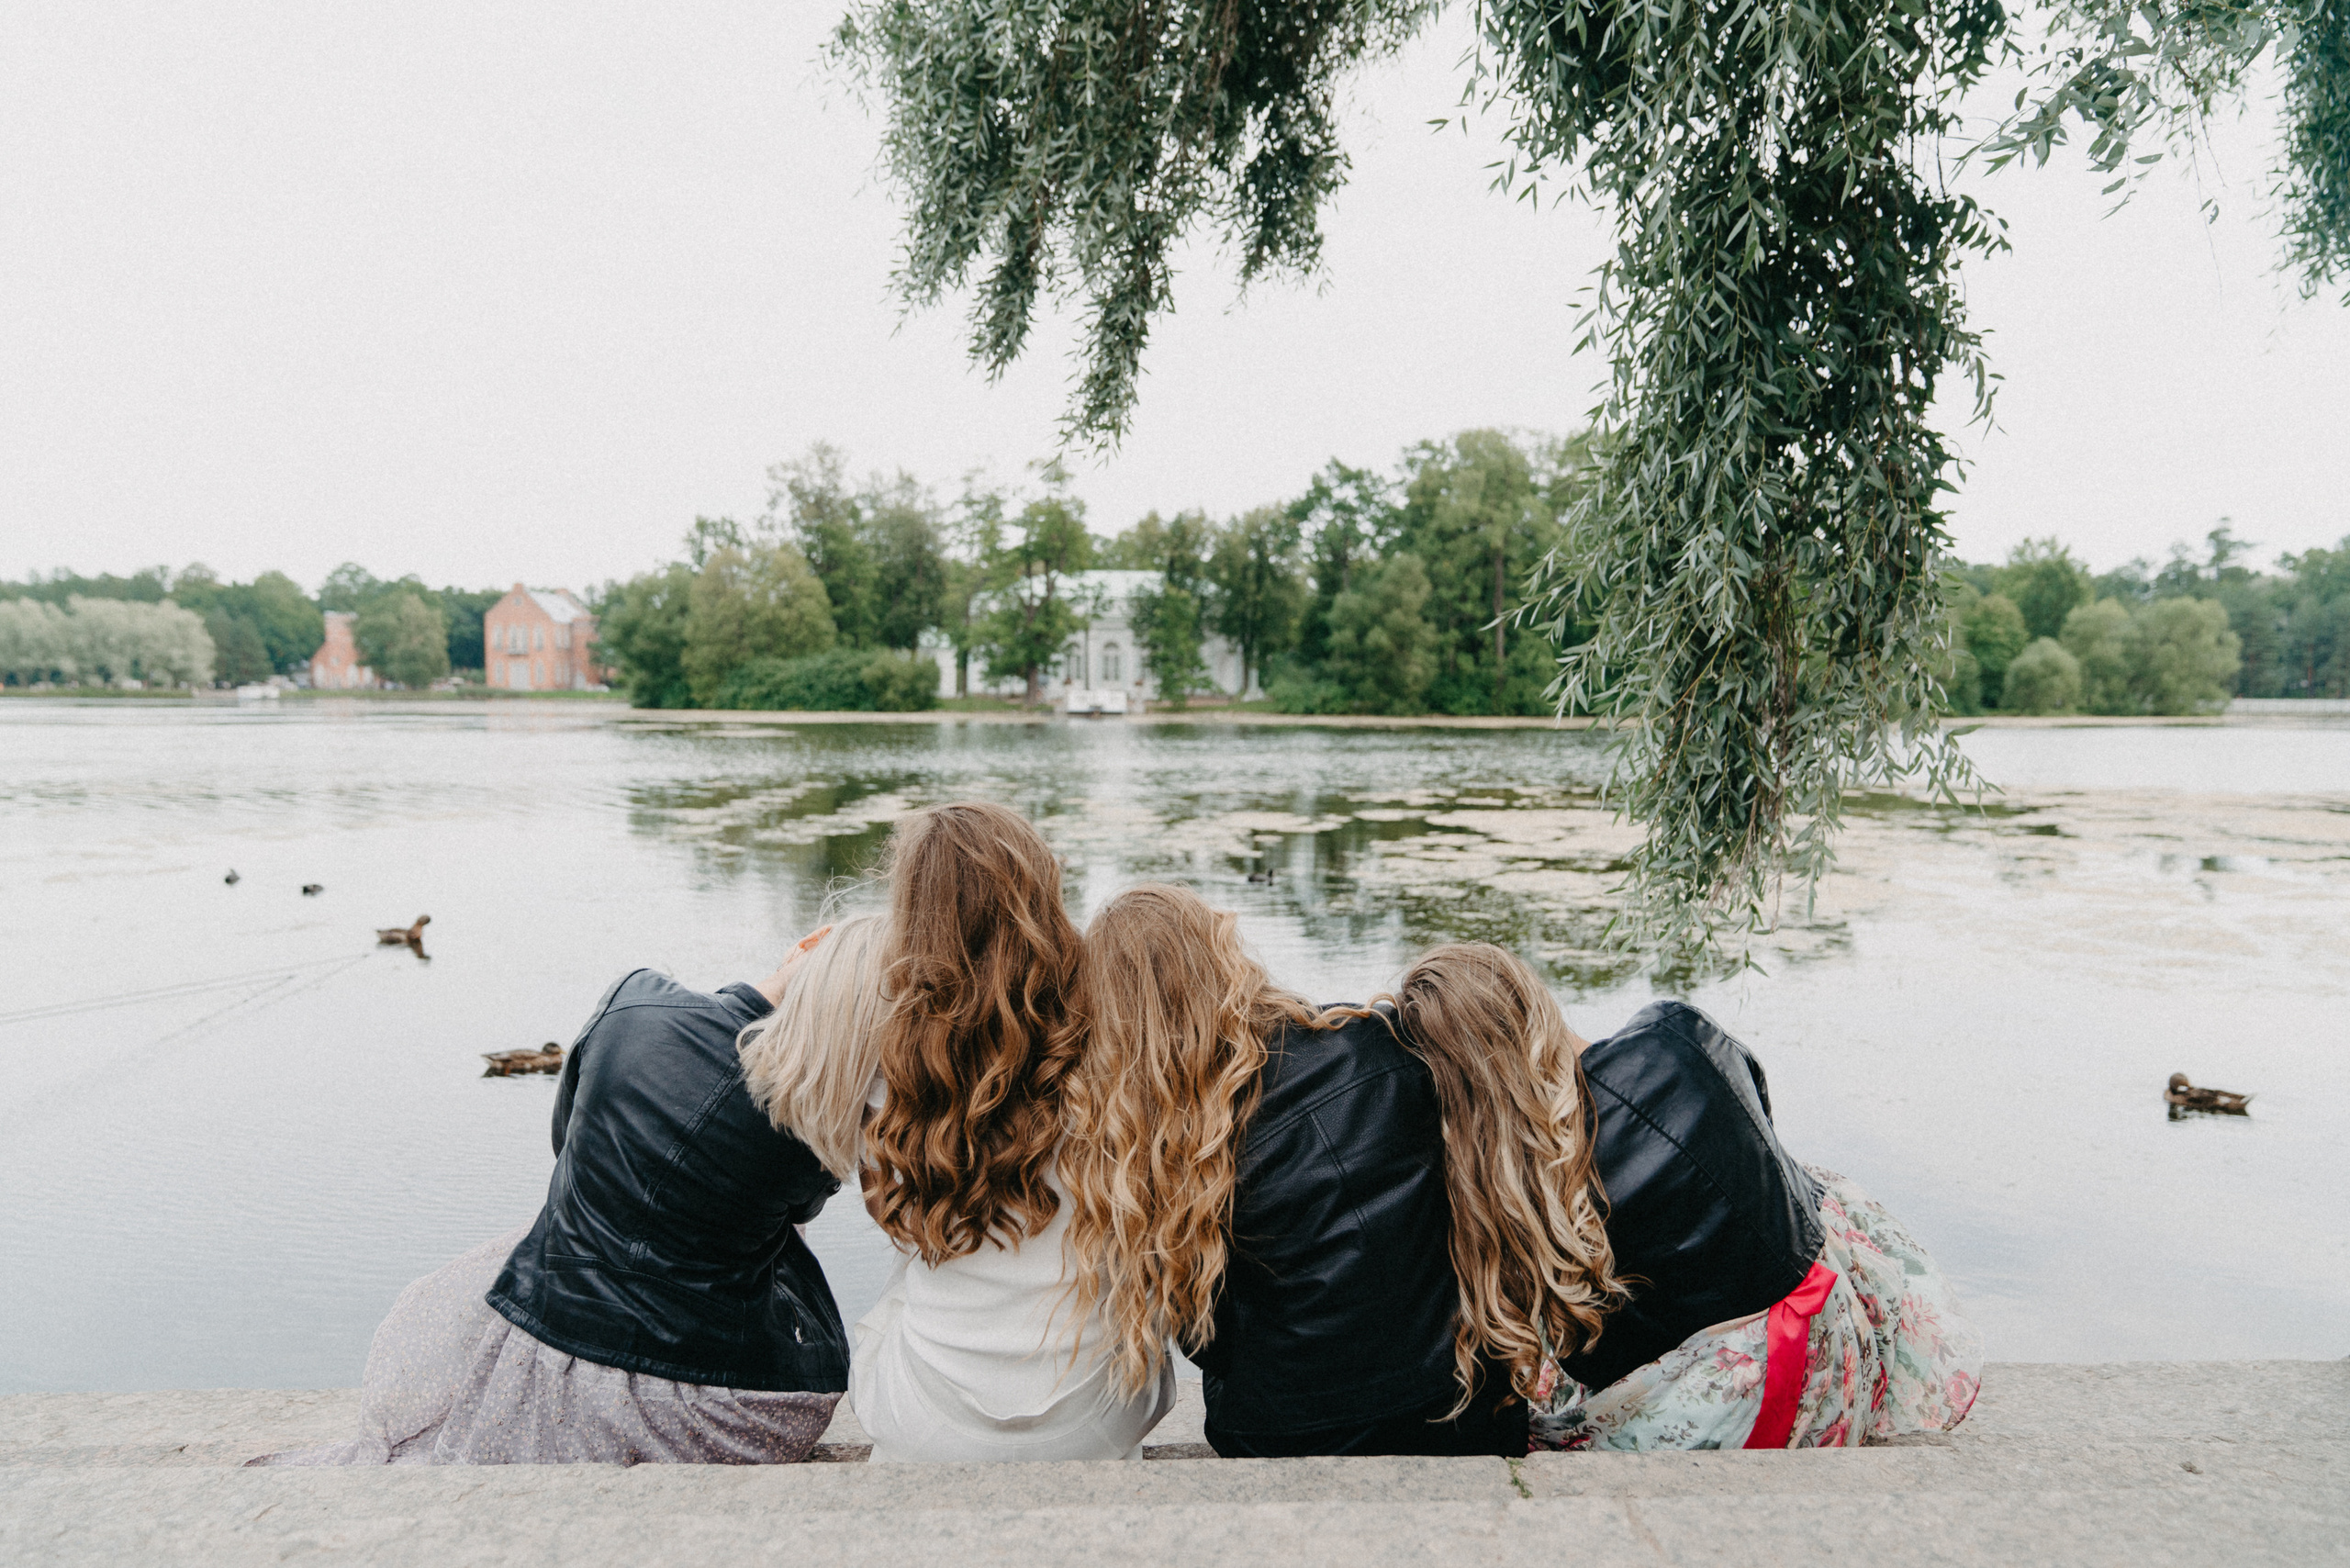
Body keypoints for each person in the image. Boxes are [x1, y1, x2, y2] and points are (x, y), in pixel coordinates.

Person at [252, 931, 852, 1466]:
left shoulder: (635, 998)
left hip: (557, 1328)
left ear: (809, 942)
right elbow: (797, 1217)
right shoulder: (812, 1110)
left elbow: (566, 1142)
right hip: (714, 1394)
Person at [1384, 943, 1982, 1451]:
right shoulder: (1677, 1033)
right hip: (1839, 1363)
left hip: (1717, 1414)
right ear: (1533, 1000)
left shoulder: (1514, 1189)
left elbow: (1588, 1355)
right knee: (1805, 1181)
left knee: (1535, 1343)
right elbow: (1762, 1129)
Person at [1060, 882, 1530, 1458]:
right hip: (1462, 1406)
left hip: (1279, 1433)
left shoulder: (1157, 1152)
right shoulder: (1378, 1041)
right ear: (1224, 960)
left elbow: (1203, 1339)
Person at [830, 801, 1174, 1462]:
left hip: (926, 1417)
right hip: (1103, 1411)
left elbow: (895, 1220)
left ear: (914, 917)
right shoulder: (1114, 1034)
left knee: (904, 1283)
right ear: (1042, 896)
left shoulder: (887, 1057)